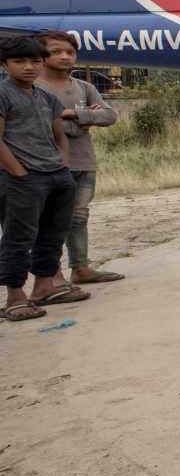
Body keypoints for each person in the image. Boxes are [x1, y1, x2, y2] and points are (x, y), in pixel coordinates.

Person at [0, 36, 87, 322]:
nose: (29, 67)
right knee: (19, 237)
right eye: (20, 61)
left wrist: (62, 166)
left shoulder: (44, 95)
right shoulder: (3, 93)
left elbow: (59, 134)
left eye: (35, 61)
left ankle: (44, 287)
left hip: (56, 176)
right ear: (5, 64)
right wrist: (19, 172)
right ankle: (15, 297)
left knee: (52, 234)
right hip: (22, 178)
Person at [34, 31, 125, 285]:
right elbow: (38, 121)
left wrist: (71, 114)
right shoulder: (32, 88)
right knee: (48, 220)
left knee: (78, 216)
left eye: (70, 52)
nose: (65, 57)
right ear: (42, 55)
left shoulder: (85, 87)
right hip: (46, 164)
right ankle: (52, 275)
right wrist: (84, 116)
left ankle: (81, 268)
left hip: (83, 162)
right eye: (56, 51)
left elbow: (109, 116)